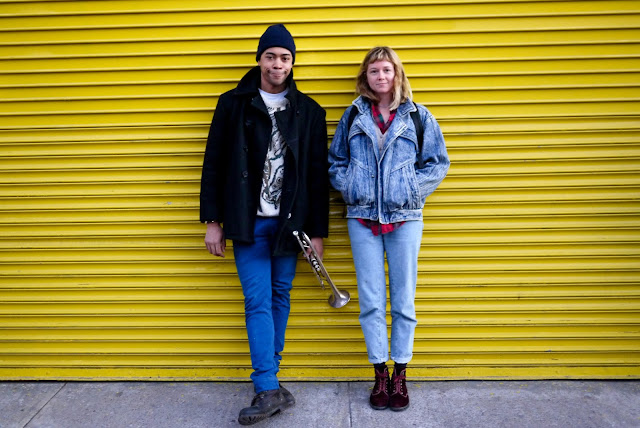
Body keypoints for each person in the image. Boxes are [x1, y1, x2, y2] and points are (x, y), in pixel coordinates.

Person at [200, 24, 329, 425]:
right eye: (271, 56)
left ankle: (271, 382)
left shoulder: (309, 112)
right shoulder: (233, 104)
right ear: (259, 59)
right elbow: (214, 163)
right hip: (248, 222)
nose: (277, 64)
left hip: (290, 226)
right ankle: (267, 386)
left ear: (293, 63)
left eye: (285, 58)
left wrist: (317, 234)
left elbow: (316, 177)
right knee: (257, 301)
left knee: (279, 297)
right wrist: (212, 220)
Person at [328, 46, 449, 412]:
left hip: (406, 218)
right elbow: (336, 161)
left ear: (397, 73)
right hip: (361, 217)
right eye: (374, 71)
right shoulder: (354, 115)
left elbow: (437, 163)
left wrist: (408, 189)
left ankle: (400, 374)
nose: (381, 76)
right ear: (365, 77)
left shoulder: (418, 116)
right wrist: (351, 187)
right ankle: (379, 373)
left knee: (404, 301)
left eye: (386, 70)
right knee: (371, 301)